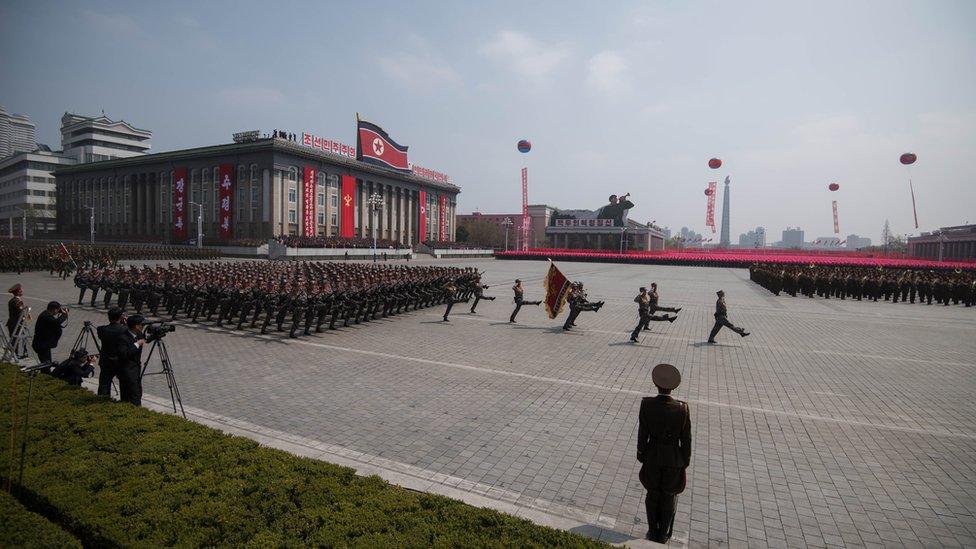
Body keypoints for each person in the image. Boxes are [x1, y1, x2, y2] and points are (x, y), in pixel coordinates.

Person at [637, 363, 691, 544]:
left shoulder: (646, 405)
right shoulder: (682, 409)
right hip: (674, 459)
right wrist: (685, 460)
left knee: (652, 494)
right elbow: (686, 439)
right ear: (673, 387)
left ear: (656, 384)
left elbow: (642, 433)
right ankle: (663, 534)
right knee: (668, 496)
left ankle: (652, 530)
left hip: (652, 455)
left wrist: (641, 454)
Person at [115, 314, 146, 406]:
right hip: (126, 370)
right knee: (131, 394)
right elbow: (124, 354)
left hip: (135, 369)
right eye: (142, 325)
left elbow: (145, 340)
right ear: (136, 326)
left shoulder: (139, 334)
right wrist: (137, 344)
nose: (143, 327)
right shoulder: (122, 338)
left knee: (137, 392)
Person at [96, 307, 127, 397]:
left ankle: (102, 400)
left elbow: (101, 329)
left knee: (104, 384)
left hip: (106, 360)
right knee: (124, 383)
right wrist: (125, 324)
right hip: (120, 361)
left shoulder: (101, 330)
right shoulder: (124, 330)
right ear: (121, 317)